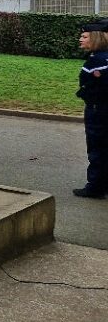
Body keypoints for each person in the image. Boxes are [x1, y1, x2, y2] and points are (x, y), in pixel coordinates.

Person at [74, 21, 108, 199]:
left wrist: (83, 93)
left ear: (95, 38)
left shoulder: (97, 61)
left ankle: (95, 187)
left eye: (84, 36)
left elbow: (92, 86)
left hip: (98, 111)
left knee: (97, 148)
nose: (81, 39)